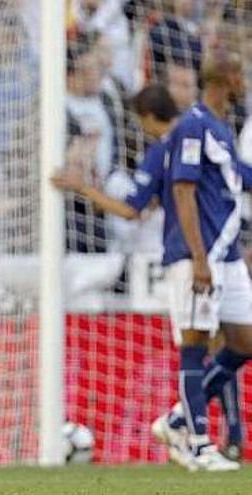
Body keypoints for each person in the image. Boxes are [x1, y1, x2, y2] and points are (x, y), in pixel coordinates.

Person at [53, 83, 247, 463]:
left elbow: (131, 209)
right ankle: (204, 438)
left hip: (198, 258)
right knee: (211, 344)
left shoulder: (166, 148)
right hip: (211, 256)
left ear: (145, 118)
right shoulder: (206, 133)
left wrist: (83, 188)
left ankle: (189, 427)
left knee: (227, 342)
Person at [151, 51, 249, 472]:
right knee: (193, 344)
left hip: (227, 255)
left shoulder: (221, 130)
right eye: (240, 73)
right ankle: (199, 444)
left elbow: (238, 179)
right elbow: (183, 192)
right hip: (200, 256)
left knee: (245, 341)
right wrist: (198, 258)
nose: (245, 81)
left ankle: (177, 419)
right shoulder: (192, 125)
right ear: (225, 78)